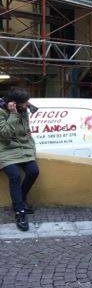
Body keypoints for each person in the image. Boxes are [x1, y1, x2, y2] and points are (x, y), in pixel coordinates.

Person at [0, 88, 39, 231]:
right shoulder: (3, 112)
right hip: (5, 151)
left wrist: (32, 150)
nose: (27, 104)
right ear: (13, 104)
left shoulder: (24, 112)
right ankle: (19, 211)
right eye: (24, 102)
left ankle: (20, 201)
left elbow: (27, 133)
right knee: (15, 176)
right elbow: (5, 135)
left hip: (23, 149)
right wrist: (13, 114)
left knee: (33, 171)